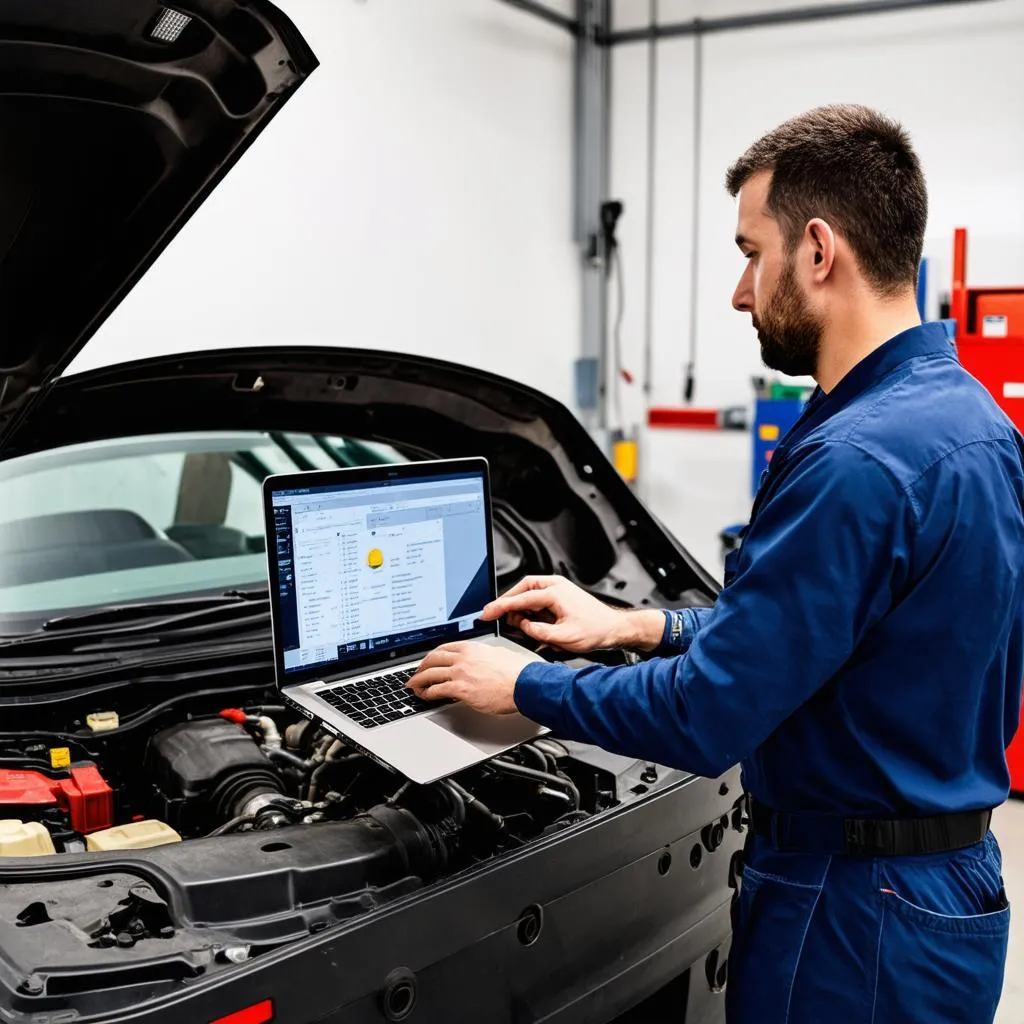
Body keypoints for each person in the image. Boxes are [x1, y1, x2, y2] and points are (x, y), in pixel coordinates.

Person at [407, 104, 1024, 1024]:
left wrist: (529, 684)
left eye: (750, 252)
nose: (740, 292)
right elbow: (830, 632)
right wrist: (636, 624)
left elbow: (708, 716)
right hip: (940, 888)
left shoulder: (858, 460)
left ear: (818, 251)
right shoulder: (970, 420)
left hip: (850, 914)